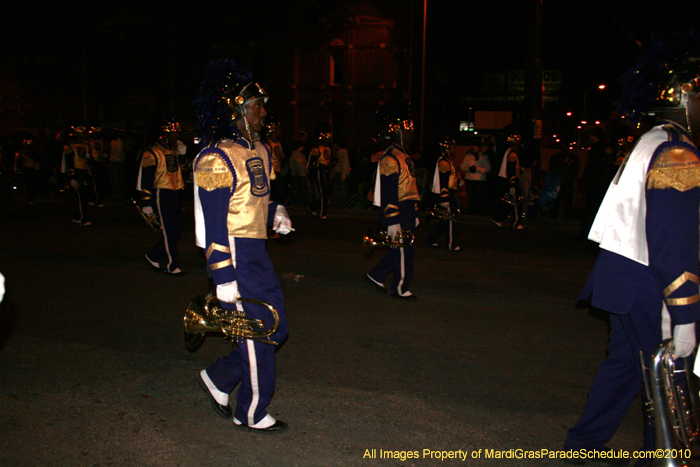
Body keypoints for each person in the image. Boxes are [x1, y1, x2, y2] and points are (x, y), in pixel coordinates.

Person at [563, 33, 700, 465]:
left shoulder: (654, 137)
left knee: (625, 368)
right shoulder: (677, 149)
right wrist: (684, 313)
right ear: (682, 96)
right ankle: (659, 459)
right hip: (649, 277)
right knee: (668, 383)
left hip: (624, 270)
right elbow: (672, 237)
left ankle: (584, 443)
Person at [192, 58, 292, 433]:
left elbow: (257, 199)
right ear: (235, 109)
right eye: (256, 106)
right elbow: (215, 223)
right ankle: (250, 411)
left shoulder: (261, 150)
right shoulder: (215, 157)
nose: (262, 112)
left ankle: (219, 377)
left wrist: (276, 212)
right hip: (233, 252)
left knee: (276, 328)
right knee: (256, 330)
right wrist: (222, 276)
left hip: (257, 251)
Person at [365, 103, 420, 301]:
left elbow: (410, 188)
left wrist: (414, 212)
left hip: (406, 209)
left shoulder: (403, 157)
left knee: (402, 249)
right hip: (397, 210)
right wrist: (393, 219)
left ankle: (376, 275)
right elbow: (389, 192)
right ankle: (400, 286)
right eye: (408, 130)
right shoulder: (390, 158)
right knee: (404, 252)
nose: (412, 134)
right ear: (397, 132)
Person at [137, 118, 185, 275]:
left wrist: (183, 154)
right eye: (174, 133)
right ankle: (172, 265)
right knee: (168, 230)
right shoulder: (153, 151)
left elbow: (180, 169)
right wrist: (146, 201)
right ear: (165, 134)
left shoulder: (174, 149)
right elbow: (147, 178)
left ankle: (153, 255)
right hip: (161, 192)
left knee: (177, 229)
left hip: (175, 191)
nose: (177, 136)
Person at [425, 136, 461, 251]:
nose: (454, 149)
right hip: (446, 194)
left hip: (450, 193)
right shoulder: (444, 162)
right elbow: (444, 180)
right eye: (453, 147)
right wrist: (445, 198)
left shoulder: (448, 161)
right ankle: (451, 244)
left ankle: (431, 238)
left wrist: (458, 182)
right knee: (451, 219)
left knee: (445, 221)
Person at [490, 134, 524, 230]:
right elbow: (511, 170)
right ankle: (515, 222)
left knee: (508, 202)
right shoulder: (512, 154)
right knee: (515, 201)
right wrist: (512, 184)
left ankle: (499, 218)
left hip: (507, 181)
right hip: (511, 181)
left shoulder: (508, 152)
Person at [61, 126, 93, 226]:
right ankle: (84, 219)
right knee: (81, 195)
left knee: (85, 196)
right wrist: (72, 177)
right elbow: (69, 162)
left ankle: (76, 217)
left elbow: (87, 161)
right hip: (76, 172)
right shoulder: (70, 147)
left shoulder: (86, 145)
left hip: (84, 172)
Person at [307, 123, 337, 219]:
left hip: (326, 171)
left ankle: (313, 208)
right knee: (323, 192)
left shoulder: (328, 148)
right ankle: (322, 212)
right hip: (320, 171)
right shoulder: (316, 149)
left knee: (327, 191)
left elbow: (328, 160)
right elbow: (310, 163)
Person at [460, 140, 491, 215]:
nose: (474, 147)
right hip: (469, 179)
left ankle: (477, 212)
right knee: (470, 197)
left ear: (479, 147)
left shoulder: (484, 157)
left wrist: (477, 169)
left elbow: (488, 168)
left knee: (477, 197)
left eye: (476, 146)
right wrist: (469, 168)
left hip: (479, 180)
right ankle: (471, 212)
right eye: (473, 146)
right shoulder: (468, 156)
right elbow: (462, 167)